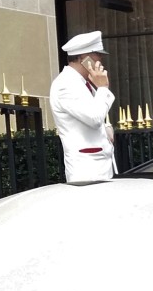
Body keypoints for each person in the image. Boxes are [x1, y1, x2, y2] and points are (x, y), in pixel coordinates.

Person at [49, 31, 116, 184]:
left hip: (98, 167)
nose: (101, 60)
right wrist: (103, 88)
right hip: (86, 170)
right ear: (83, 58)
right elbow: (93, 117)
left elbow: (93, 115)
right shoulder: (65, 84)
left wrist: (107, 126)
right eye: (97, 55)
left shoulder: (82, 83)